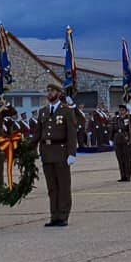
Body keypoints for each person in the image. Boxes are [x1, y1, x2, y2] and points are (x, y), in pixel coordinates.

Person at [34, 83, 79, 227]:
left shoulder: (66, 111)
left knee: (63, 186)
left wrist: (72, 153)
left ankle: (63, 215)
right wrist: (26, 150)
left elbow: (71, 133)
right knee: (52, 187)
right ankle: (54, 215)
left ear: (59, 93)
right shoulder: (43, 112)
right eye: (47, 91)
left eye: (52, 91)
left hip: (61, 152)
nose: (49, 93)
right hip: (47, 152)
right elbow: (37, 134)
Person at [112, 103, 131, 182]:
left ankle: (128, 175)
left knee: (127, 159)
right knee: (120, 159)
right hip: (117, 140)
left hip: (127, 139)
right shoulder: (116, 118)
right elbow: (112, 128)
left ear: (126, 111)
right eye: (120, 110)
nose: (120, 111)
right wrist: (111, 139)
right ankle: (122, 175)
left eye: (122, 110)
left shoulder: (130, 117)